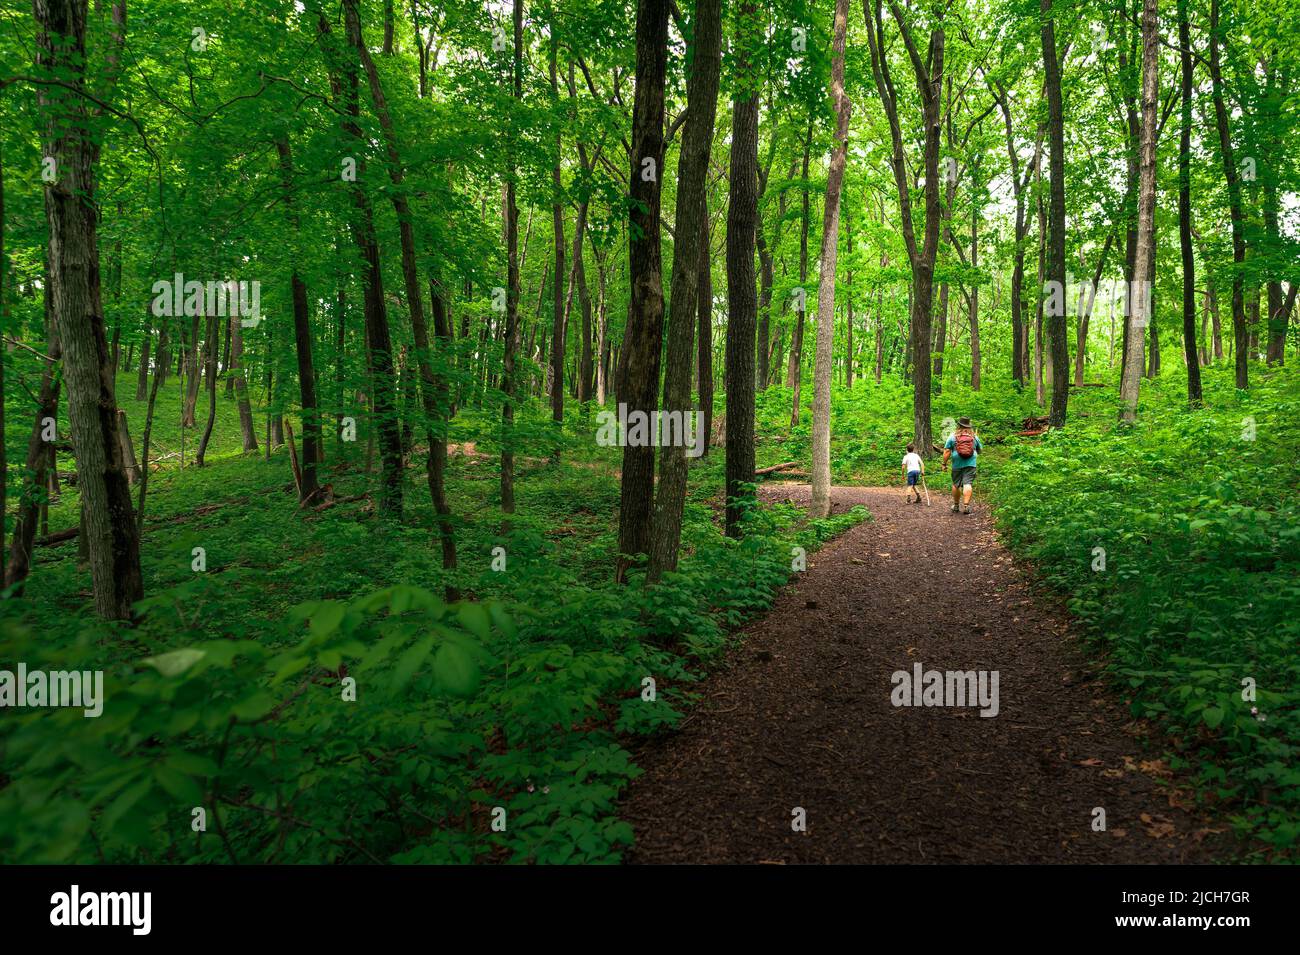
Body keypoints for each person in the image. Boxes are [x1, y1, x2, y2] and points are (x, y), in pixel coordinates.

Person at [942, 416, 983, 514]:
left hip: (957, 463)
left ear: (958, 425)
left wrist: (944, 463)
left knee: (956, 484)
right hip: (971, 463)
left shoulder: (953, 436)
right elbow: (980, 450)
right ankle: (966, 506)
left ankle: (956, 506)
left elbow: (947, 451)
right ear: (969, 426)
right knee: (967, 483)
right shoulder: (974, 437)